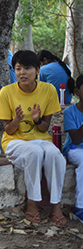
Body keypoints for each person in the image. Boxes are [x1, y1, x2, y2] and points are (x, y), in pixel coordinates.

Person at [0, 50, 66, 226]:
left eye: (27, 68)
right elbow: (8, 131)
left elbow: (44, 128)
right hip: (14, 142)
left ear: (37, 70)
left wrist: (37, 119)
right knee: (34, 152)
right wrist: (17, 120)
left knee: (55, 155)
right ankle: (32, 203)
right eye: (18, 68)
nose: (22, 73)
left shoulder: (48, 90)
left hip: (41, 140)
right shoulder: (6, 92)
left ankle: (56, 205)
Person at [62, 74, 83, 223]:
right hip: (74, 149)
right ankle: (79, 207)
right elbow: (76, 139)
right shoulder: (70, 112)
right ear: (77, 91)